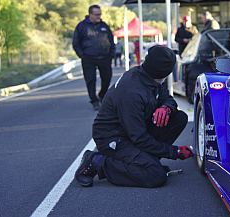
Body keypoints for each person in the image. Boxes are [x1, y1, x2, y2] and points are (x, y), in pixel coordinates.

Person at [75, 45, 195, 188]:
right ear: (165, 72)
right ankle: (98, 162)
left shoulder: (147, 76)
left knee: (179, 118)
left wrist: (166, 108)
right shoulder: (131, 92)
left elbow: (167, 99)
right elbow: (139, 139)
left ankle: (144, 162)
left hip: (132, 130)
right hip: (112, 137)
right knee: (155, 175)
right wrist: (174, 152)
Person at [73, 5, 115, 110]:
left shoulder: (104, 25)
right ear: (90, 14)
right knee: (90, 80)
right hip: (88, 58)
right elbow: (75, 42)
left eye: (100, 14)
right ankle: (94, 101)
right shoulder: (82, 26)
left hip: (105, 57)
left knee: (107, 78)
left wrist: (111, 54)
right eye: (96, 14)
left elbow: (111, 40)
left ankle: (102, 95)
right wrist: (82, 55)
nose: (99, 16)